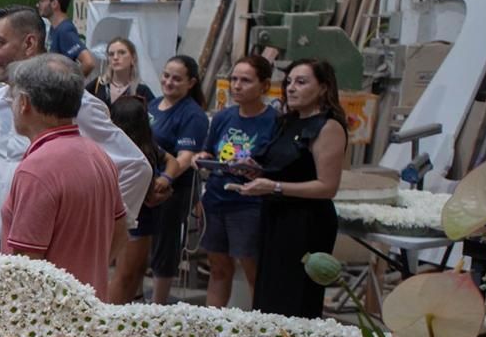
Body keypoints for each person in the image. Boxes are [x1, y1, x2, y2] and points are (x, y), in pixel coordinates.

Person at [0, 54, 126, 337]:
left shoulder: (38, 169)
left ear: (25, 103)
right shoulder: (99, 157)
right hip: (81, 331)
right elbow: (120, 233)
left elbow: (27, 273)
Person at [0, 5, 150, 255]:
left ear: (29, 43)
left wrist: (109, 229)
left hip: (51, 244)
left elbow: (135, 166)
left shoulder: (75, 103)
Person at [234, 58, 348, 319]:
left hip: (305, 221)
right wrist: (256, 169)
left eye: (301, 82)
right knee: (269, 293)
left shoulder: (328, 127)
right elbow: (284, 167)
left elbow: (327, 187)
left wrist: (274, 186)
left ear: (323, 88)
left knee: (294, 296)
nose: (291, 88)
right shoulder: (287, 122)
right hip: (276, 216)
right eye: (288, 82)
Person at [199, 55, 277, 307]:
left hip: (248, 204)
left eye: (245, 80)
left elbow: (279, 165)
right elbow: (210, 150)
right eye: (234, 79)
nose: (237, 85)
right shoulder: (223, 117)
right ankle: (213, 328)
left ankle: (258, 330)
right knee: (218, 267)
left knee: (252, 268)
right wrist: (203, 157)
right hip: (215, 199)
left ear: (264, 86)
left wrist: (259, 170)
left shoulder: (274, 121)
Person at [146, 55, 209, 304]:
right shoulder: (153, 104)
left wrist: (164, 179)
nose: (169, 82)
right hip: (146, 187)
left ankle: (158, 305)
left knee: (165, 244)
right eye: (166, 75)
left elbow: (184, 158)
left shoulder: (193, 115)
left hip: (172, 190)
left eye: (177, 78)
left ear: (191, 82)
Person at [106, 96, 168, 305]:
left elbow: (172, 162)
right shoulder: (130, 152)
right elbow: (148, 197)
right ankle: (111, 318)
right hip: (134, 219)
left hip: (141, 218)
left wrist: (166, 179)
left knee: (134, 273)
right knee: (125, 276)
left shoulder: (146, 146)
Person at [38, 0, 92, 77]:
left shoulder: (64, 30)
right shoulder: (54, 28)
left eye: (42, 1)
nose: (38, 5)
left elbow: (88, 63)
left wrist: (71, 86)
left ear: (54, 4)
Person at [90, 37, 153, 107]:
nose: (115, 57)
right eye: (111, 54)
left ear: (133, 58)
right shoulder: (98, 84)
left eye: (122, 53)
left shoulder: (142, 91)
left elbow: (154, 115)